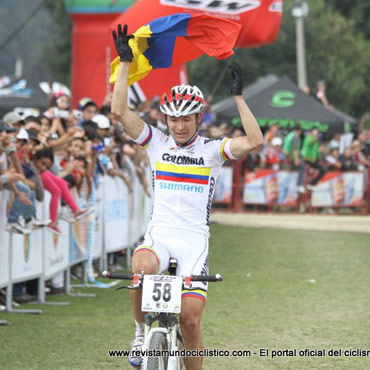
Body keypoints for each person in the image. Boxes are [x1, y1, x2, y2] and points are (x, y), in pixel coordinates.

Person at [111, 24, 263, 369]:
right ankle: (139, 333)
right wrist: (124, 63)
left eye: (187, 119)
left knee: (190, 322)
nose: (179, 126)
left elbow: (254, 141)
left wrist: (239, 98)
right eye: (173, 119)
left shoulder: (212, 150)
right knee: (140, 268)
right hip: (161, 234)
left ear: (198, 118)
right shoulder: (155, 142)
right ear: (166, 119)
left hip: (194, 241)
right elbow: (119, 112)